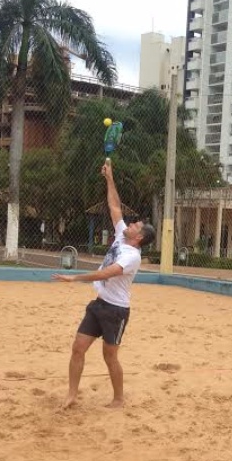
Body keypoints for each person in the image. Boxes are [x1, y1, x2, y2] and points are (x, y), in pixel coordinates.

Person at [52, 159, 155, 409]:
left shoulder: (132, 256)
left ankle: (119, 399)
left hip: (116, 311)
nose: (130, 224)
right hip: (99, 305)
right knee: (78, 348)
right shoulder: (122, 236)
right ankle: (72, 395)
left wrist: (75, 277)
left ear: (139, 237)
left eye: (135, 225)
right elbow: (114, 206)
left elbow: (105, 274)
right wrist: (109, 178)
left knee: (110, 357)